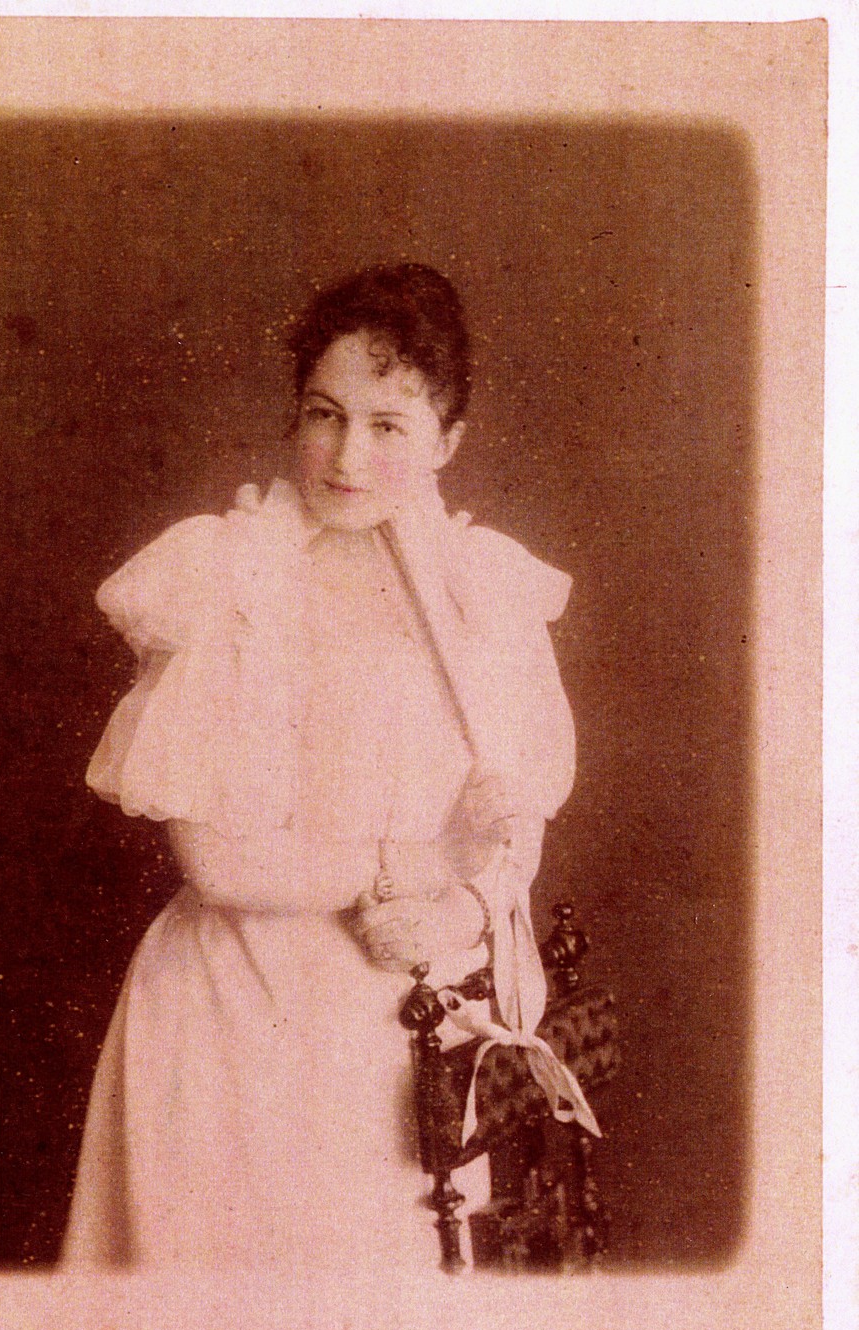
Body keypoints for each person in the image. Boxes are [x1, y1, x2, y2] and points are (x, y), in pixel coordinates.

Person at [62, 262, 594, 1278]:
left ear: (446, 441)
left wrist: (462, 912)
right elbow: (218, 862)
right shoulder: (227, 576)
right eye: (324, 414)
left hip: (406, 1040)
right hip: (238, 1020)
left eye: (388, 425)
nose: (348, 456)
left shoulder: (480, 589)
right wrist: (423, 862)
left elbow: (513, 818)